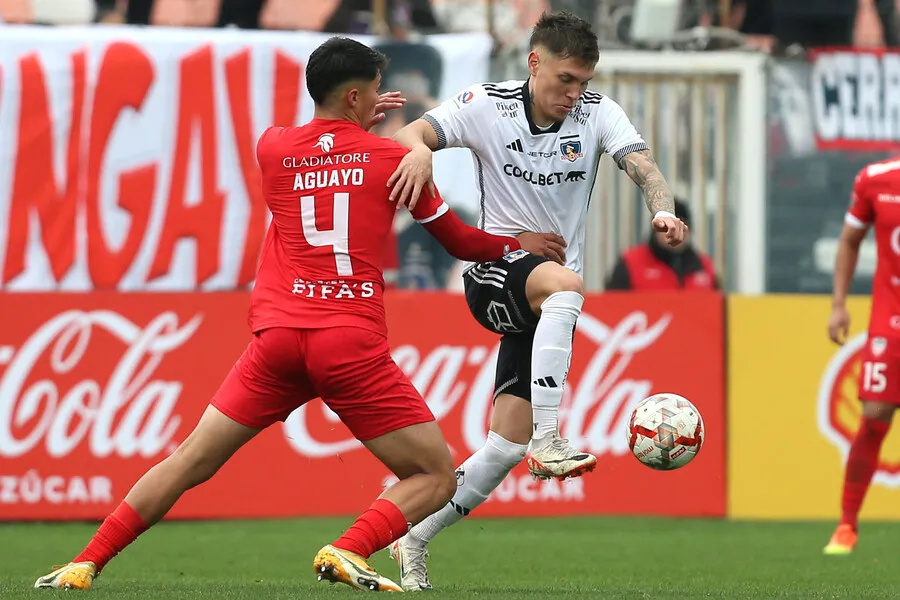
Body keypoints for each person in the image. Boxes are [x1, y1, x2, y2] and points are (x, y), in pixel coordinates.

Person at [33, 37, 566, 593]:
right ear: (359, 96)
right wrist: (515, 242)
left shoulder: (274, 147)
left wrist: (351, 116)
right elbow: (458, 240)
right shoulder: (393, 160)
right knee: (433, 475)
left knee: (189, 459)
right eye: (376, 92)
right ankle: (349, 548)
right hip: (347, 342)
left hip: (279, 340)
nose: (383, 99)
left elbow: (319, 148)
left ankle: (85, 563)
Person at [387, 10, 687, 591]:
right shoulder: (485, 103)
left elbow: (643, 166)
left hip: (548, 301)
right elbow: (412, 133)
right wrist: (421, 149)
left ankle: (413, 538)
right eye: (565, 80)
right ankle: (551, 437)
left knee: (501, 449)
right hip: (493, 276)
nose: (575, 95)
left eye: (584, 82)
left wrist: (662, 209)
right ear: (534, 63)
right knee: (568, 284)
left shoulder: (598, 113)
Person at [824, 155, 900, 555]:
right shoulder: (875, 180)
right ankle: (847, 525)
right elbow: (850, 240)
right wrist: (839, 304)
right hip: (892, 323)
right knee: (872, 420)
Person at [606, 198, 718, 291]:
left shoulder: (705, 266)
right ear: (655, 230)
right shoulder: (631, 263)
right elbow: (612, 306)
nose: (674, 233)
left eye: (681, 228)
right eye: (667, 228)